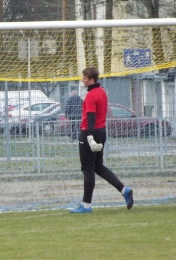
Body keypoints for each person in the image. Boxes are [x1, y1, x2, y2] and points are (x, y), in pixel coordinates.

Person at [70, 67, 134, 213]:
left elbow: (91, 117)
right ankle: (124, 190)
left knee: (88, 169)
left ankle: (86, 205)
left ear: (92, 80)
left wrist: (89, 137)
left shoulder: (91, 95)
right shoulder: (103, 92)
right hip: (101, 132)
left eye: (85, 78)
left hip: (90, 132)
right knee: (98, 167)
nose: (83, 80)